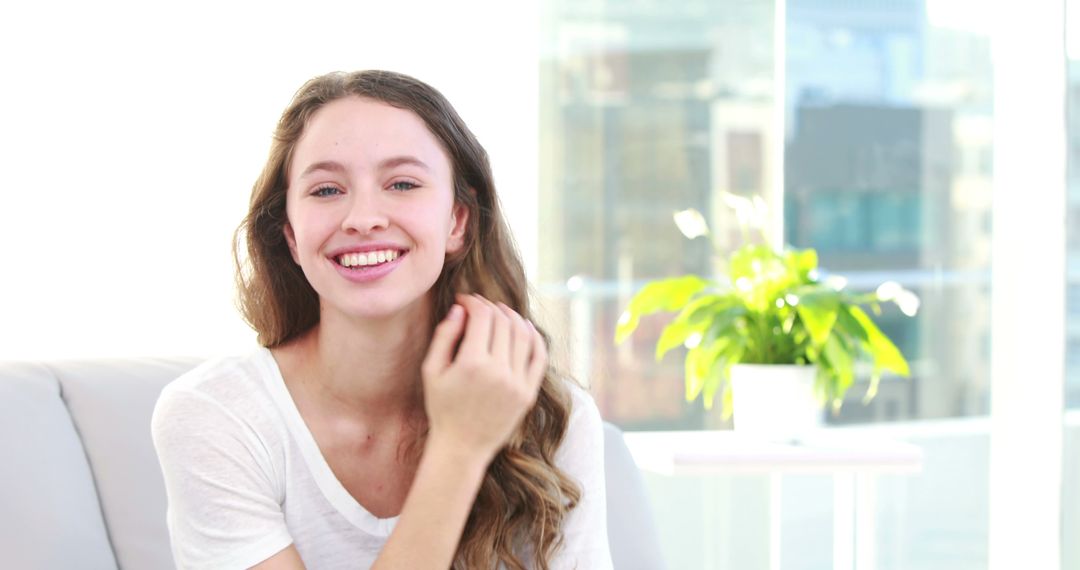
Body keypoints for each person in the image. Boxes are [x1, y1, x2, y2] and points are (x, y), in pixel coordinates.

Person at [151, 70, 613, 569]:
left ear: (457, 221)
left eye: (402, 183)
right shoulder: (217, 415)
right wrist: (459, 448)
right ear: (290, 234)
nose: (363, 217)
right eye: (327, 190)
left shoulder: (550, 416)